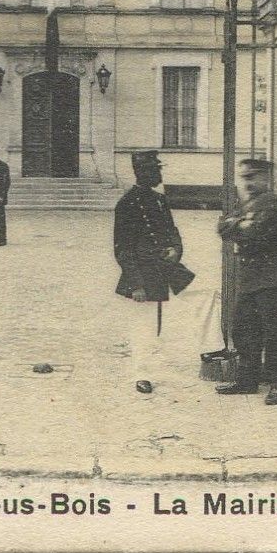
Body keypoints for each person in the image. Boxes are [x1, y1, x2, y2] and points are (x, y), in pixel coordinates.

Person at [112, 150, 196, 394]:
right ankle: (142, 374)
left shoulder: (160, 200)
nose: (160, 174)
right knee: (144, 325)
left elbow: (173, 231)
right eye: (156, 170)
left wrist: (176, 250)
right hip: (143, 272)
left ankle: (211, 350)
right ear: (143, 172)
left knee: (204, 295)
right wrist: (136, 284)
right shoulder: (127, 204)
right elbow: (122, 249)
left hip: (167, 267)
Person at [215, 158, 277, 405]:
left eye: (252, 177)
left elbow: (253, 232)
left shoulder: (272, 203)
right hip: (250, 277)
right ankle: (247, 381)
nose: (246, 182)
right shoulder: (248, 203)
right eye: (244, 177)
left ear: (264, 178)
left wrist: (237, 225)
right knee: (244, 329)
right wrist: (240, 224)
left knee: (274, 333)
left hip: (270, 277)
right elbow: (222, 227)